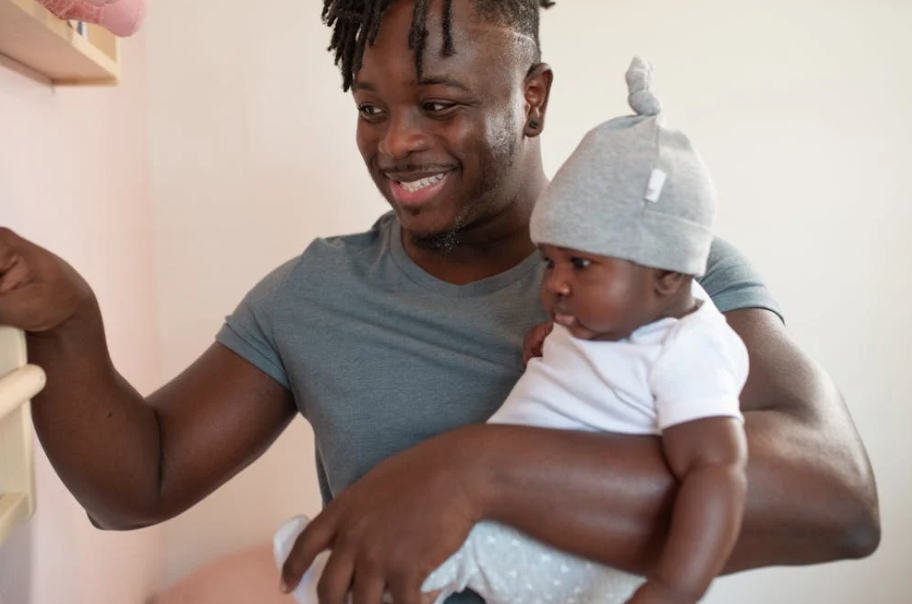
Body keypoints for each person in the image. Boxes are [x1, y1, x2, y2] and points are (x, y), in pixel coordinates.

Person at [0, 0, 878, 604]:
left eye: (440, 104)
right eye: (372, 107)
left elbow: (836, 502)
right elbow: (138, 485)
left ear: (532, 97)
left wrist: (476, 471)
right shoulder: (315, 293)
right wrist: (69, 322)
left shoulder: (657, 269)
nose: (395, 144)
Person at [274, 57, 750, 604]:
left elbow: (717, 473)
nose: (556, 285)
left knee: (408, 557)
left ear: (667, 272)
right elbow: (599, 385)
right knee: (404, 553)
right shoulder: (613, 319)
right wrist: (550, 348)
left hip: (564, 548)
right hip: (508, 519)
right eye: (551, 262)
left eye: (582, 265)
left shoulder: (690, 351)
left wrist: (673, 585)